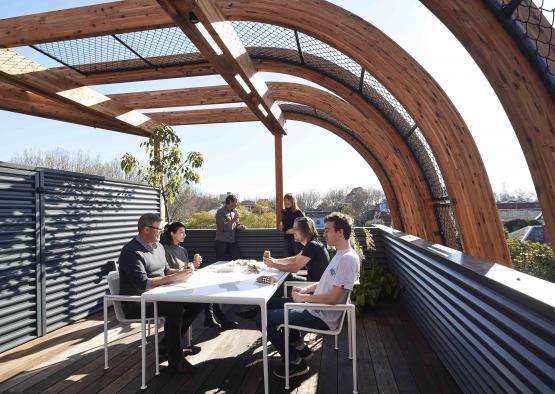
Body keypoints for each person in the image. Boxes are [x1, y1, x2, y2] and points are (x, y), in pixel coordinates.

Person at [257, 212, 360, 379]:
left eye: (327, 230)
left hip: (321, 315)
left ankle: (295, 362)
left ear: (340, 232)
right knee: (269, 303)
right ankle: (298, 346)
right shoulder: (341, 254)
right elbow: (325, 283)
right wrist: (306, 291)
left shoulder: (347, 259)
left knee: (262, 318)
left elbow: (333, 299)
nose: (323, 233)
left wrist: (304, 299)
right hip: (315, 307)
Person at [118, 213, 204, 374]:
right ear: (145, 230)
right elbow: (143, 283)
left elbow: (165, 270)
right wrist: (174, 277)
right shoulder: (131, 252)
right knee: (174, 308)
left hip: (160, 295)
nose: (162, 232)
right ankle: (175, 359)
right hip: (137, 302)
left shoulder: (158, 247)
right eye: (159, 229)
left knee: (198, 302)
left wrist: (181, 271)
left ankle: (168, 346)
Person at [236, 216, 329, 319]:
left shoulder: (312, 246)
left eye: (295, 229)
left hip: (313, 290)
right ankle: (263, 308)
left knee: (281, 282)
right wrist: (275, 260)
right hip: (314, 284)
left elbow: (294, 267)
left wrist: (273, 264)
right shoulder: (313, 243)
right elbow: (294, 259)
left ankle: (265, 308)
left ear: (304, 230)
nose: (292, 232)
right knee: (286, 278)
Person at [204, 194, 245, 329]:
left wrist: (239, 225)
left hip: (232, 242)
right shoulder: (220, 212)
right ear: (230, 202)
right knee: (219, 268)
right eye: (236, 202)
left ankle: (235, 290)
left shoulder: (233, 212)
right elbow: (222, 228)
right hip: (222, 242)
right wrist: (234, 220)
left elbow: (234, 225)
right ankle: (220, 290)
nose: (237, 204)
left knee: (239, 261)